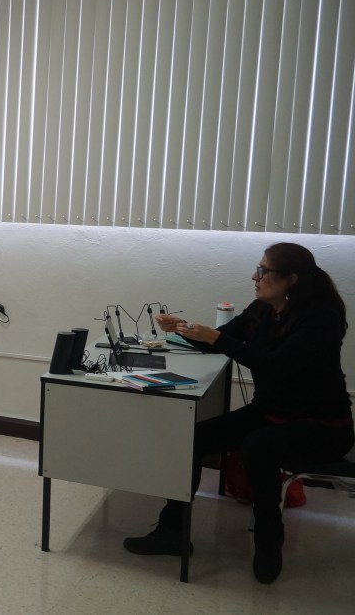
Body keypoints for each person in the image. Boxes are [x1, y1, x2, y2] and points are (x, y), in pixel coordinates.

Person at [124, 242, 352, 584]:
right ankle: (172, 532)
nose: (254, 276)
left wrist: (215, 338)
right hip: (270, 412)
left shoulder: (320, 318)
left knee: (258, 446)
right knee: (195, 438)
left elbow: (277, 366)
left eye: (263, 270)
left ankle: (269, 540)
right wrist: (183, 328)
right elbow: (222, 340)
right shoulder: (263, 309)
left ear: (290, 279)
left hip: (323, 426)